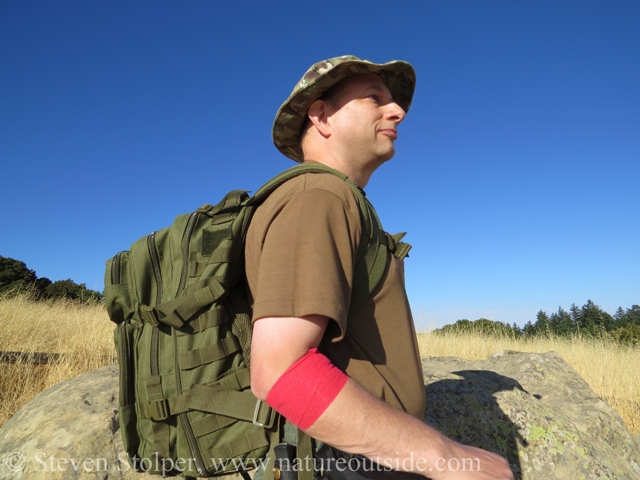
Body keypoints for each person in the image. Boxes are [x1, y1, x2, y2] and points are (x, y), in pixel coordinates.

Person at [244, 55, 514, 480]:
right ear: (322, 115)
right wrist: (444, 457)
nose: (398, 112)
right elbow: (281, 369)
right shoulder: (317, 196)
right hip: (346, 462)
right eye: (375, 98)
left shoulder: (337, 198)